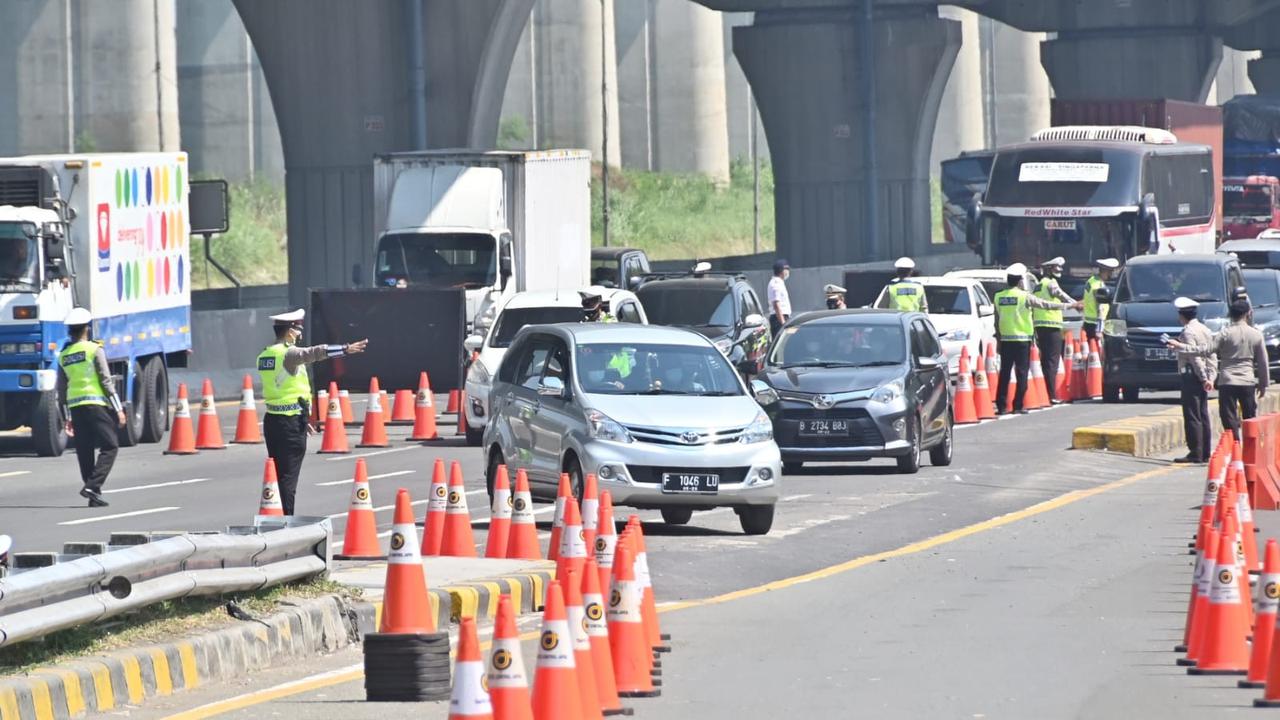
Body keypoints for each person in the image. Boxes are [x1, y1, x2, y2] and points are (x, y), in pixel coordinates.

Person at [257, 309, 368, 515]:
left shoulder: (265, 355)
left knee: (279, 473)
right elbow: (314, 353)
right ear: (290, 331)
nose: (299, 334)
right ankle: (286, 522)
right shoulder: (288, 354)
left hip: (274, 420)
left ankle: (277, 517)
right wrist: (345, 349)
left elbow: (281, 390)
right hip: (290, 424)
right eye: (298, 330)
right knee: (288, 477)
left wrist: (302, 415)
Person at [1168, 299, 1268, 440]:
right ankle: (1250, 450)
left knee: (1229, 419)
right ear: (1249, 314)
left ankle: (1234, 447)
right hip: (1247, 381)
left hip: (1227, 381)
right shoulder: (1256, 334)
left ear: (1230, 314)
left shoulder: (1225, 334)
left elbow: (1205, 350)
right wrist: (1263, 384)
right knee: (1250, 418)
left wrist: (1181, 347)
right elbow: (1263, 362)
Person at [57, 307, 125, 507]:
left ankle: (93, 494)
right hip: (95, 404)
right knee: (111, 445)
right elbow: (106, 381)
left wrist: (66, 417)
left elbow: (62, 389)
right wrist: (119, 409)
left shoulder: (64, 355)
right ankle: (92, 485)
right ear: (86, 328)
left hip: (76, 407)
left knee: (84, 450)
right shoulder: (94, 349)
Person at [993, 263, 1080, 415]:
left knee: (1005, 373)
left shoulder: (998, 297)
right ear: (1020, 281)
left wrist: (999, 341)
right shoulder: (1024, 296)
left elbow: (996, 321)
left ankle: (1001, 406)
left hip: (1006, 340)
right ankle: (1018, 405)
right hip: (1022, 340)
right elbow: (1046, 305)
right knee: (1022, 373)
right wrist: (1069, 306)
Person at [1165, 297, 1215, 464]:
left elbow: (1195, 358)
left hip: (1192, 376)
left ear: (1181, 315)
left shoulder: (1188, 332)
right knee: (1203, 414)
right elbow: (1211, 354)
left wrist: (1203, 378)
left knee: (1192, 415)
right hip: (1203, 376)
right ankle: (1205, 451)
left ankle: (1195, 452)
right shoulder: (1205, 329)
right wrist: (1210, 377)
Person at [1033, 257, 1076, 404]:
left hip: (1040, 326)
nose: (1060, 271)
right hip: (1051, 326)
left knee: (1046, 361)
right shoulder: (1050, 283)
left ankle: (1046, 393)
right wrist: (1074, 304)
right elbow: (1061, 295)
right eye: (1057, 268)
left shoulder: (1038, 285)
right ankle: (1051, 395)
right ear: (1051, 269)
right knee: (1052, 361)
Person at [1082, 258, 1119, 342]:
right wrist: (1099, 329)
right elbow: (1100, 308)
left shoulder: (1091, 280)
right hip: (1096, 324)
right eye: (1110, 271)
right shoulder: (1099, 285)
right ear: (1105, 271)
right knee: (1097, 352)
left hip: (1088, 322)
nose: (1111, 274)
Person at [768, 259, 792, 333]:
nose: (788, 272)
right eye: (787, 269)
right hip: (779, 319)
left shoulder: (780, 282)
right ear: (782, 270)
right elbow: (776, 304)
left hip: (781, 317)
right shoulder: (776, 284)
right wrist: (783, 323)